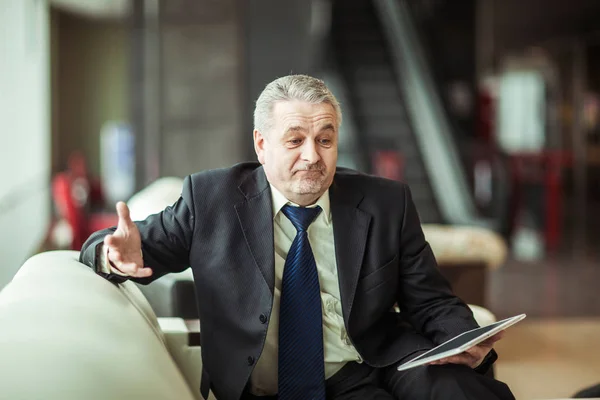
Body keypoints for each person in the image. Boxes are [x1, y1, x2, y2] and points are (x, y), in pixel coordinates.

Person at [79, 74, 515, 400]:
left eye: (325, 139)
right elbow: (120, 247)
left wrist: (464, 340)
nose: (313, 155)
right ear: (261, 144)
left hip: (368, 366)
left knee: (463, 389)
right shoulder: (210, 198)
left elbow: (431, 300)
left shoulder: (386, 201)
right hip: (264, 388)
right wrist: (108, 255)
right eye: (295, 140)